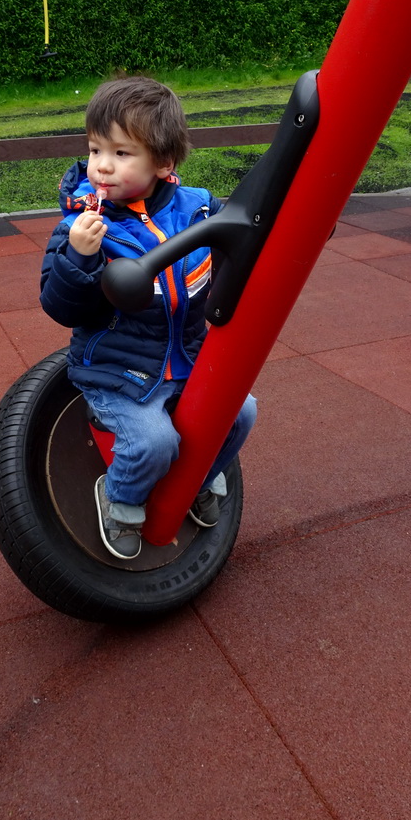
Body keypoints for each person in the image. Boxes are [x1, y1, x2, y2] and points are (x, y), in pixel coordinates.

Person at [40, 76, 257, 561]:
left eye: (121, 154)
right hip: (120, 371)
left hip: (187, 361)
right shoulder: (82, 227)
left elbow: (241, 239)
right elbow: (59, 307)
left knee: (242, 413)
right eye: (96, 149)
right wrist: (78, 259)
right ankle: (120, 501)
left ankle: (198, 477)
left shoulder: (197, 208)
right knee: (153, 442)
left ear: (164, 163)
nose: (101, 166)